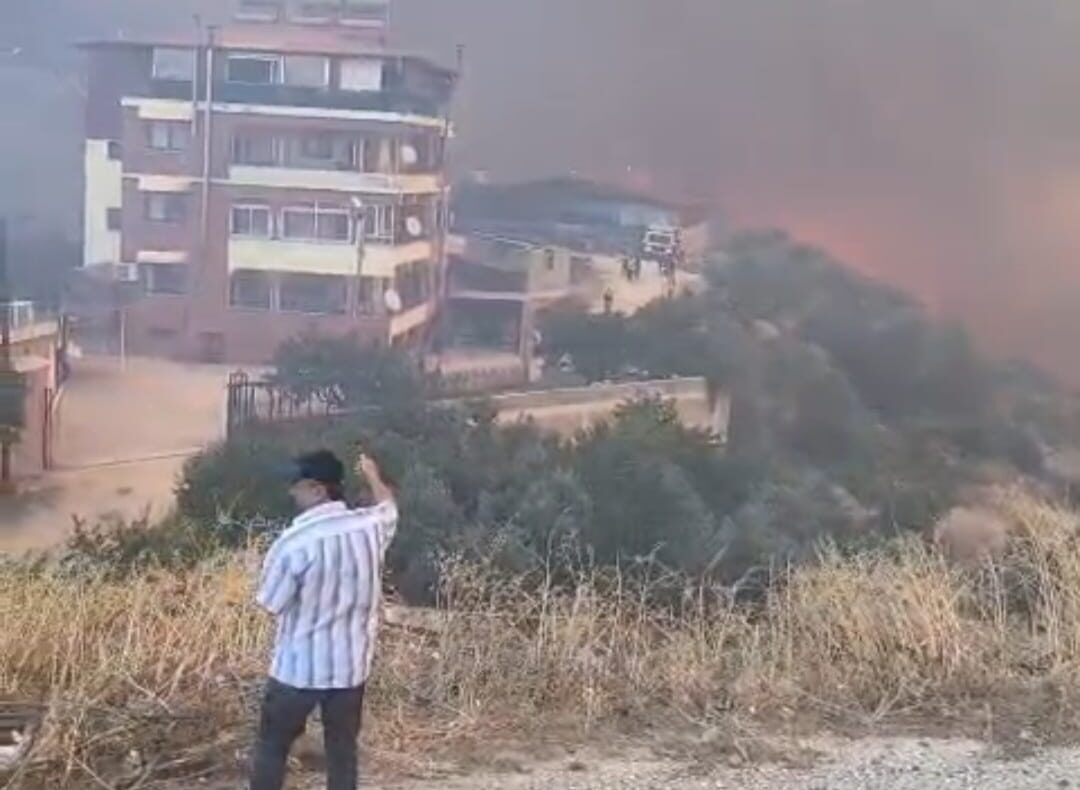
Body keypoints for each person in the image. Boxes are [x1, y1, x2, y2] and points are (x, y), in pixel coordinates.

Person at [249, 448, 397, 790]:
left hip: (297, 670)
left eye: (297, 486)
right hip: (350, 669)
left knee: (273, 748)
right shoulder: (369, 527)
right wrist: (372, 473)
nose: (291, 492)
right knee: (342, 753)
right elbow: (389, 509)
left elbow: (271, 603)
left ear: (318, 490)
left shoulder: (293, 544)